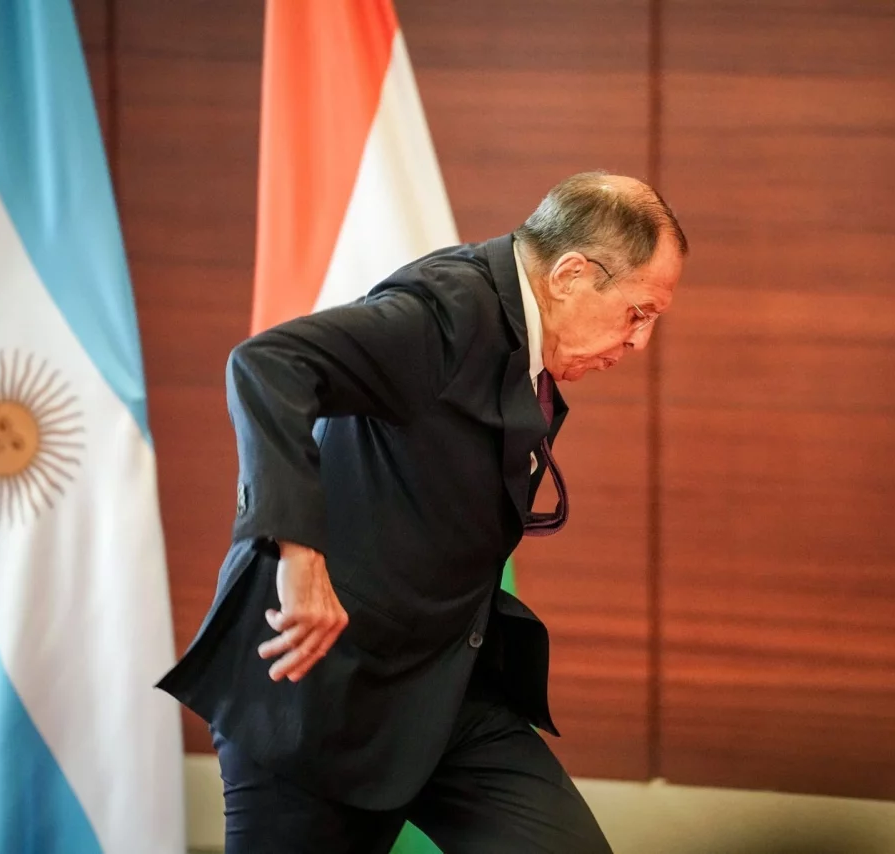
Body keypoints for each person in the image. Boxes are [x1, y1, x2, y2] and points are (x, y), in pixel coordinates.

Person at [158, 171, 688, 853]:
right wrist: (298, 552)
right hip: (319, 695)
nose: (640, 341)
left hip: (443, 689)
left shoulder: (524, 330)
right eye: (638, 313)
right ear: (570, 275)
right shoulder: (444, 311)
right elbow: (266, 365)